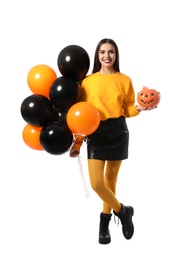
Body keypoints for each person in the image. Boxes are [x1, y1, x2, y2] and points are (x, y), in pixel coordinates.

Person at [69, 38, 154, 244]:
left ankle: (104, 225)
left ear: (116, 55)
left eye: (111, 52)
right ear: (97, 55)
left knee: (110, 183)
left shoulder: (125, 80)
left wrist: (140, 108)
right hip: (95, 134)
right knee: (97, 184)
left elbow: (127, 110)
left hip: (117, 132)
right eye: (102, 52)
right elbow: (81, 116)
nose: (107, 56)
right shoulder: (87, 82)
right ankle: (123, 212)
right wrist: (78, 143)